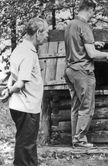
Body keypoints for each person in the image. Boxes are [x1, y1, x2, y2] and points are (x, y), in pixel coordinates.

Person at [64, 0, 108, 148]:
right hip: (83, 71)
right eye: (93, 12)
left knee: (76, 106)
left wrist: (93, 44)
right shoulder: (84, 25)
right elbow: (91, 54)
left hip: (70, 70)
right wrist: (106, 55)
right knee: (87, 107)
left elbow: (78, 45)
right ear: (89, 10)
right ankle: (80, 140)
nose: (93, 15)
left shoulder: (70, 25)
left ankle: (75, 138)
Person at [1, 17, 49, 166]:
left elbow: (13, 76)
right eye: (45, 32)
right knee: (25, 146)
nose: (47, 36)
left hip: (20, 105)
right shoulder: (28, 53)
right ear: (38, 33)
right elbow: (20, 82)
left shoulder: (19, 49)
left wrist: (7, 92)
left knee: (27, 143)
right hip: (27, 107)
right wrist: (9, 91)